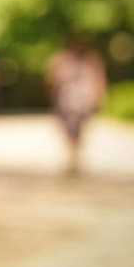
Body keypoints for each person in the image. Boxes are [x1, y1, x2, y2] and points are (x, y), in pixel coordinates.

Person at [46, 39, 107, 175]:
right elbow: (53, 77)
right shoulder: (62, 58)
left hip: (82, 100)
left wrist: (98, 96)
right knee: (68, 128)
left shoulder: (90, 60)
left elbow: (97, 79)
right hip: (66, 99)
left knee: (79, 128)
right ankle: (72, 154)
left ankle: (74, 155)